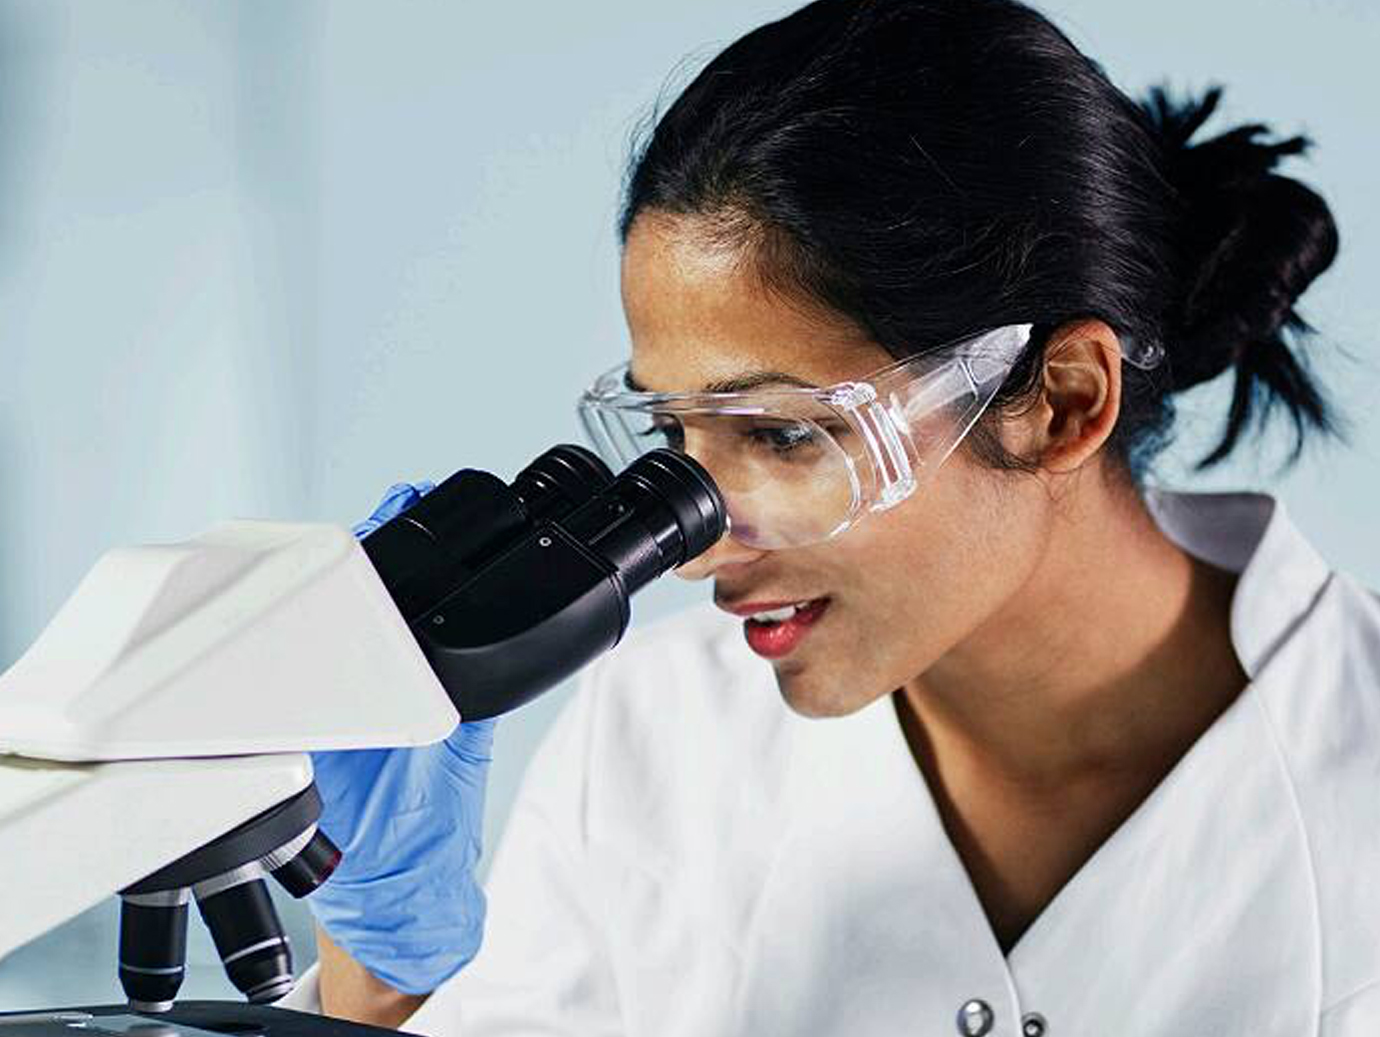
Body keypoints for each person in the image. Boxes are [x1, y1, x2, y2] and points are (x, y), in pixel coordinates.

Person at [284, 0, 1380, 1033]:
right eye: (675, 438)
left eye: (783, 434)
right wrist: (387, 966)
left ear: (1062, 401)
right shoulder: (658, 744)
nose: (697, 548)